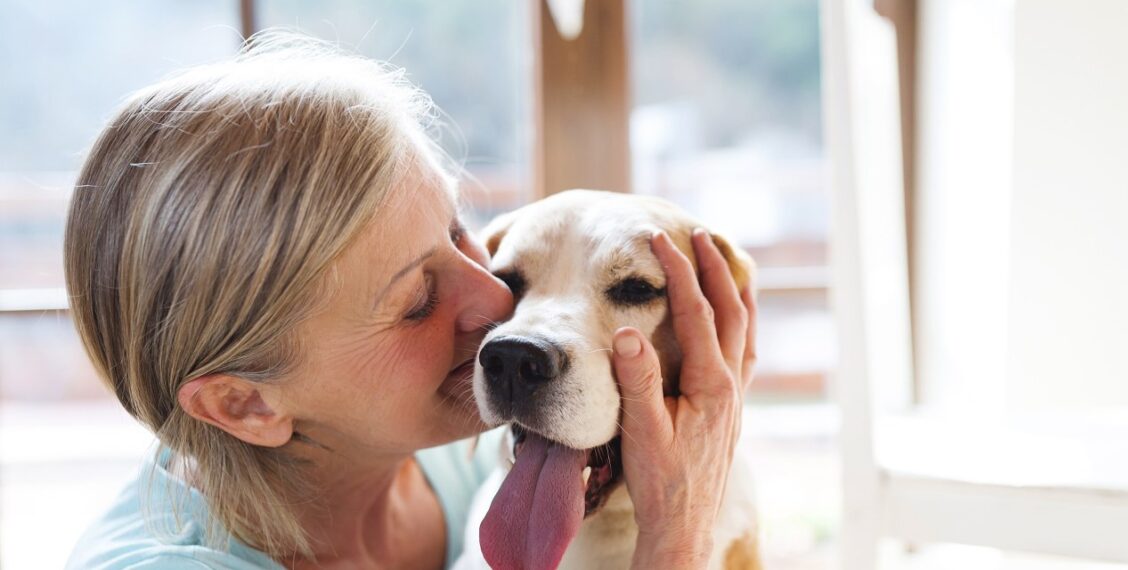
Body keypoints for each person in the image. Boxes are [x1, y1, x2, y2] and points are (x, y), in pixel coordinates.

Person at [64, 31, 757, 570]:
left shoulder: (442, 454)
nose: (495, 303)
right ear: (247, 403)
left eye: (461, 236)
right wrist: (677, 544)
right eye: (418, 300)